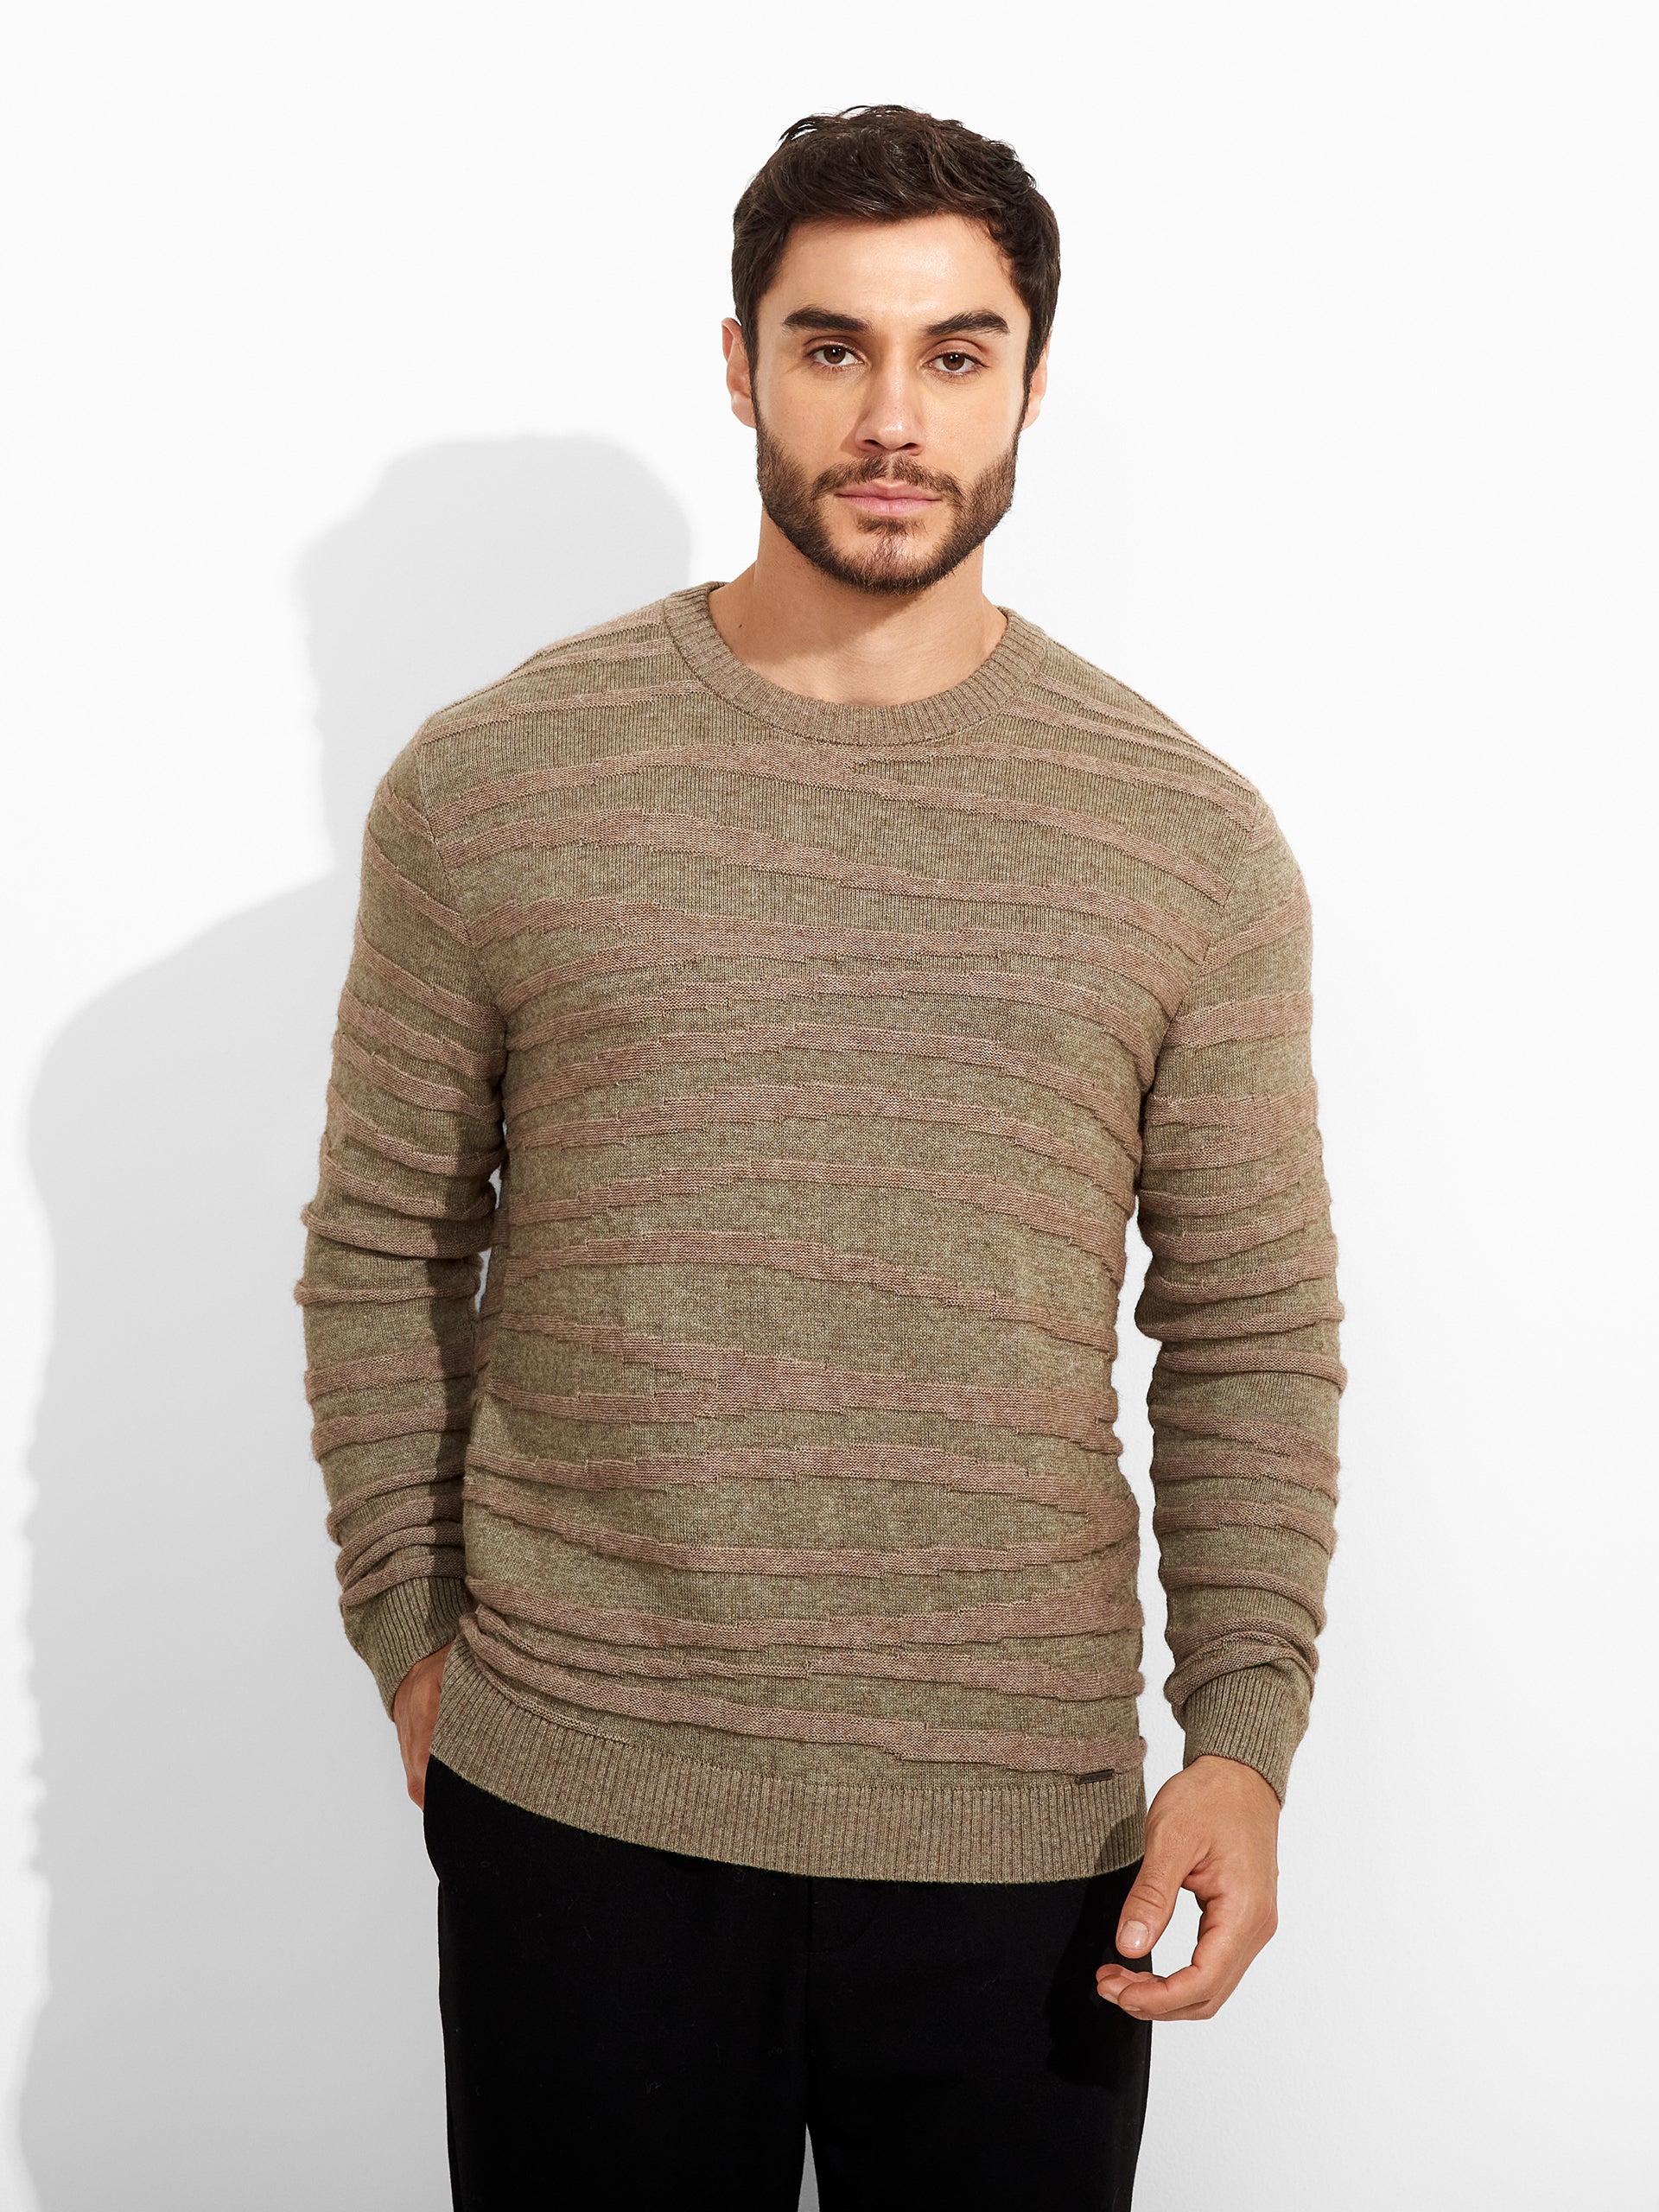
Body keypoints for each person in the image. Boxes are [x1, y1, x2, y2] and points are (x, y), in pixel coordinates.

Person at [295, 103, 1344, 2211]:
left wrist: (1241, 1732)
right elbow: (387, 1246)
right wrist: (413, 1625)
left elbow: (1246, 1326)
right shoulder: (497, 782)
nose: (891, 417)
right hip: (578, 1802)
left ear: (1031, 381)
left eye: (955, 353)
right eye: (831, 345)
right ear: (739, 362)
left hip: (1023, 1836)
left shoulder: (1185, 837)